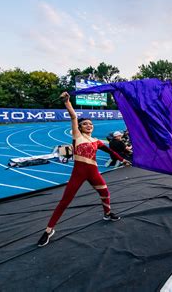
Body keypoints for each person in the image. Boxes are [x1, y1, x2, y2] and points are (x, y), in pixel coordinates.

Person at [37, 92, 131, 247]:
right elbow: (73, 117)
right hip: (78, 173)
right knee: (65, 201)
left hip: (93, 172)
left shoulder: (96, 141)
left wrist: (123, 160)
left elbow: (110, 152)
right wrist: (67, 102)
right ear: (80, 127)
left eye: (91, 124)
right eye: (86, 123)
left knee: (105, 193)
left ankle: (107, 214)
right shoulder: (77, 136)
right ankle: (48, 230)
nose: (89, 125)